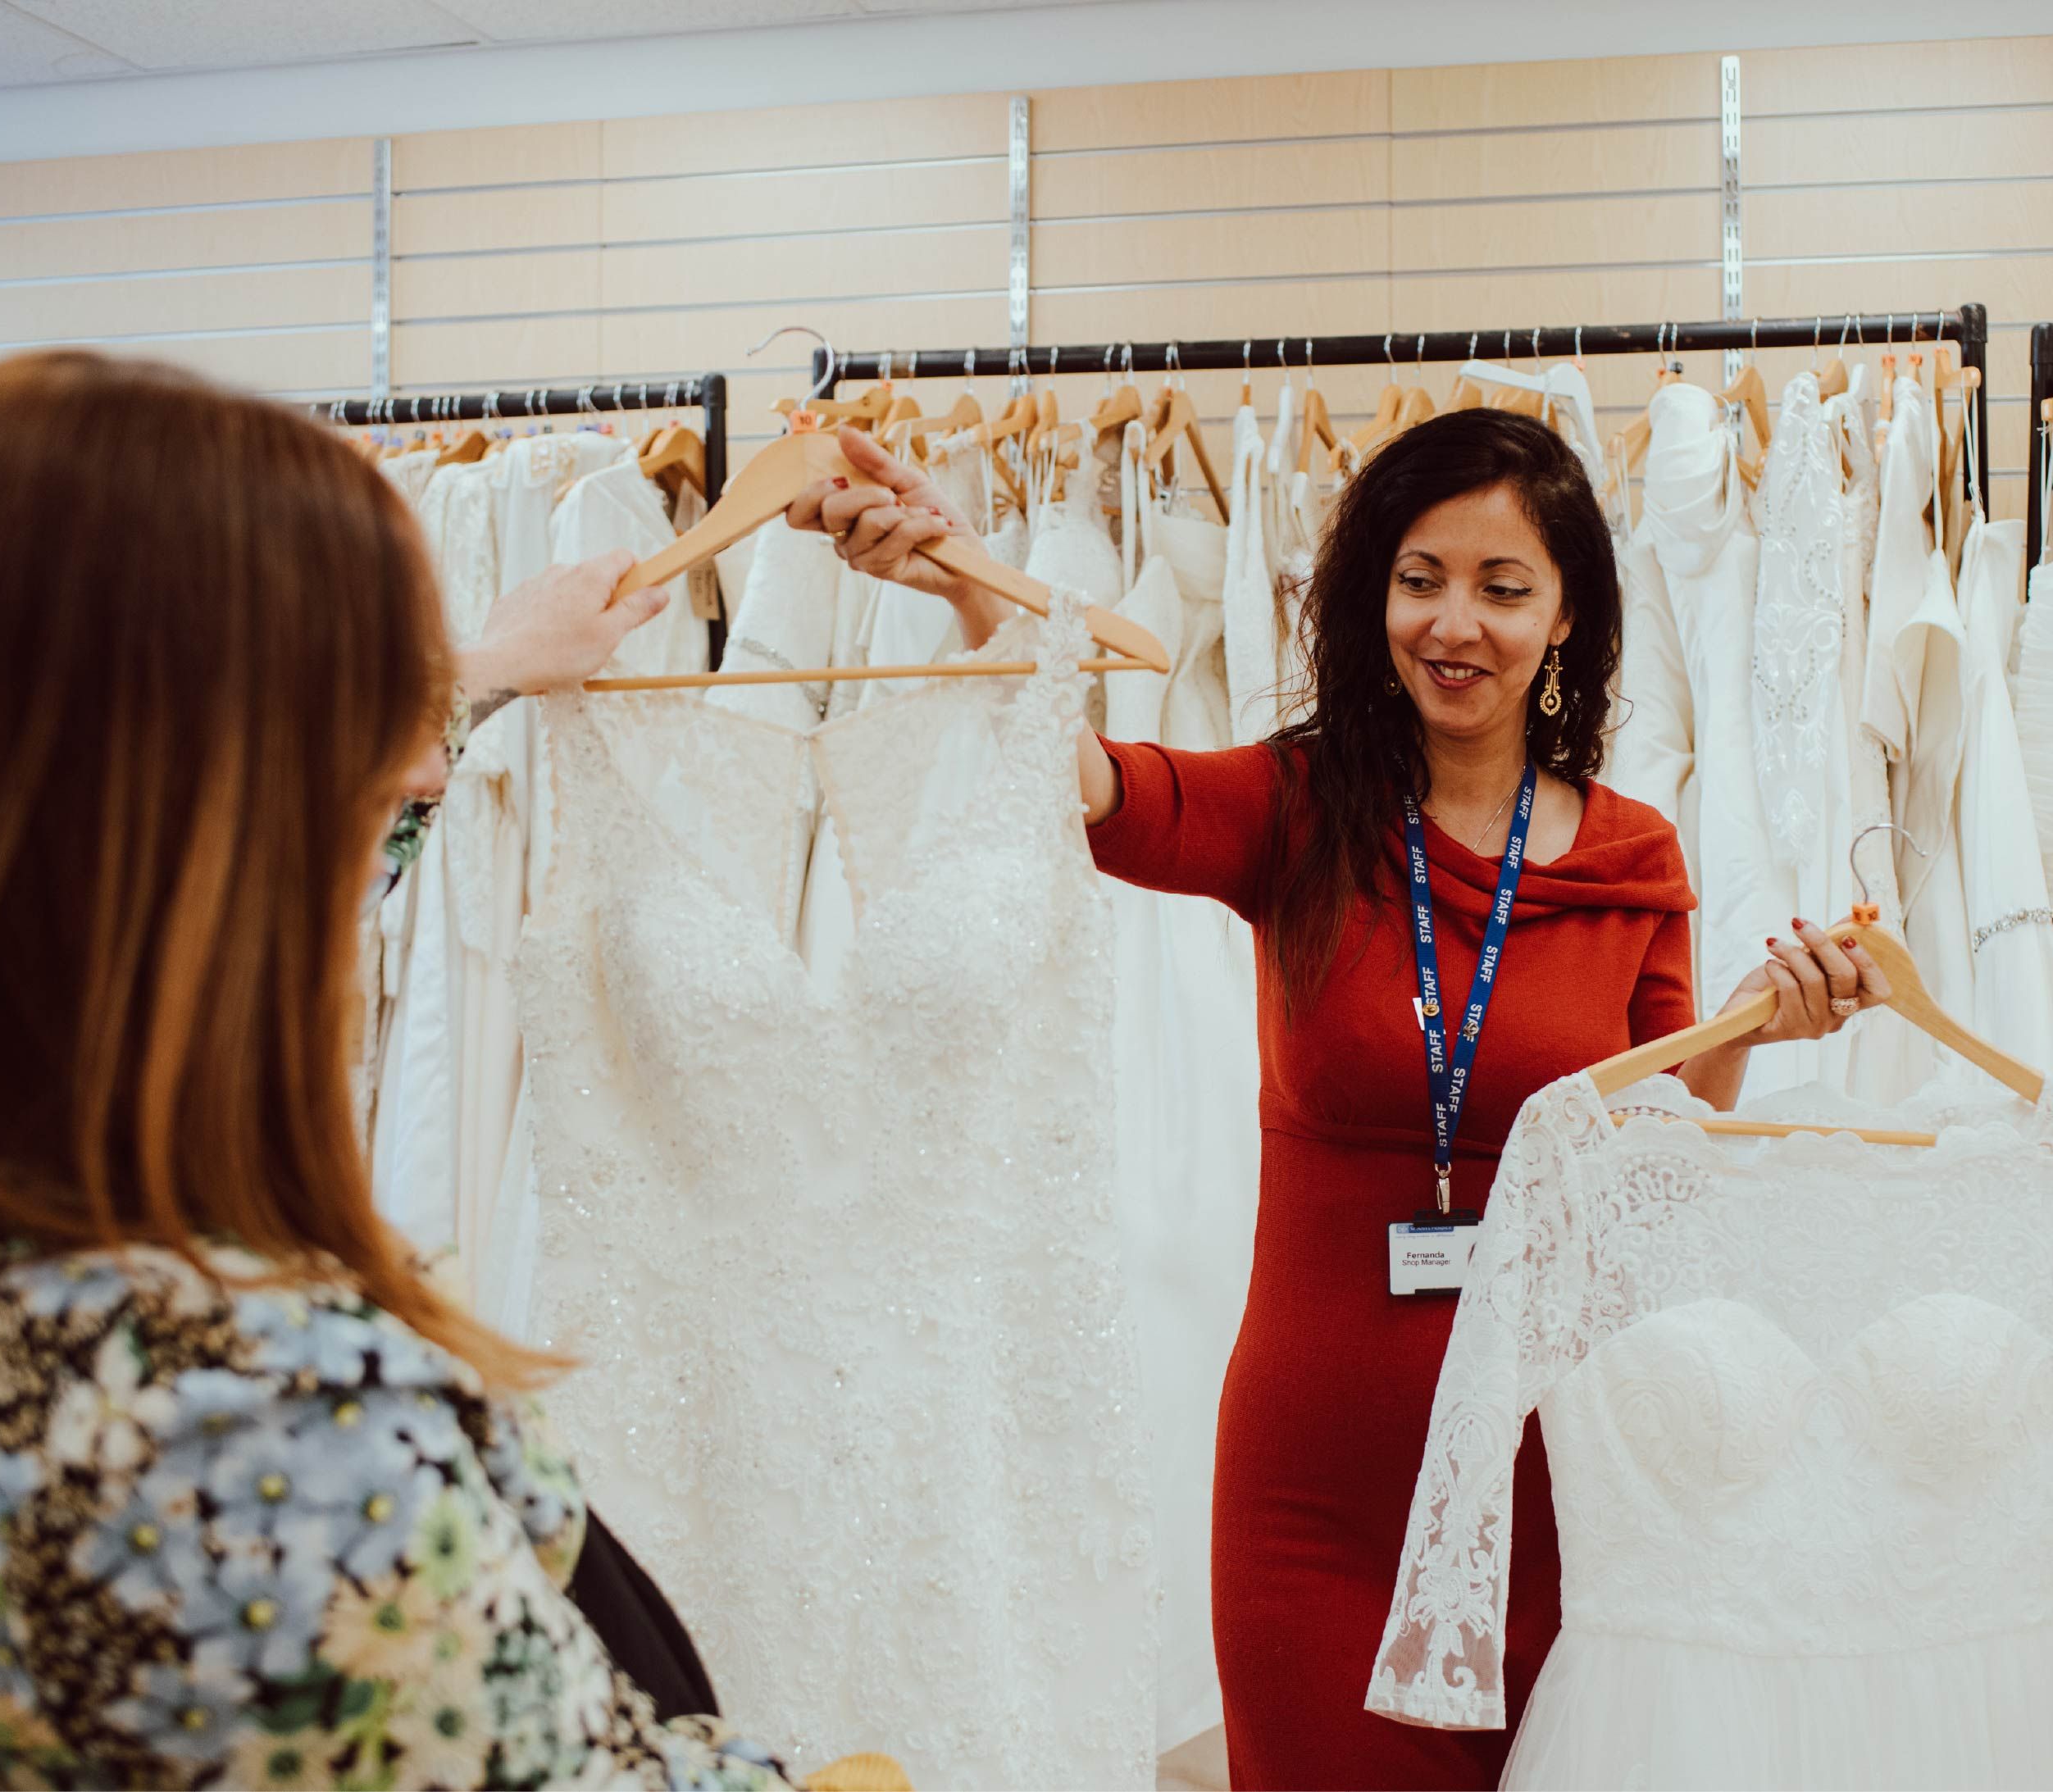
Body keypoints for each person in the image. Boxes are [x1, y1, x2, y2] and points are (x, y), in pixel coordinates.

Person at [791, 408, 1890, 1790]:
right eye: (1420, 575)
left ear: (1566, 618)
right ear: (1373, 589)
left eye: (1504, 587)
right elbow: (1090, 786)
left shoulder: (1631, 853)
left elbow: (1662, 1147)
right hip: (1309, 1498)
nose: (1455, 622)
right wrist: (968, 582)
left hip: (1546, 1482)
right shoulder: (1301, 805)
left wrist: (1757, 1018)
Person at [0, 351, 790, 1791]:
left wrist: (483, 674)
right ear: (184, 799)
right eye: (355, 716)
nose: (425, 775)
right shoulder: (242, 1428)